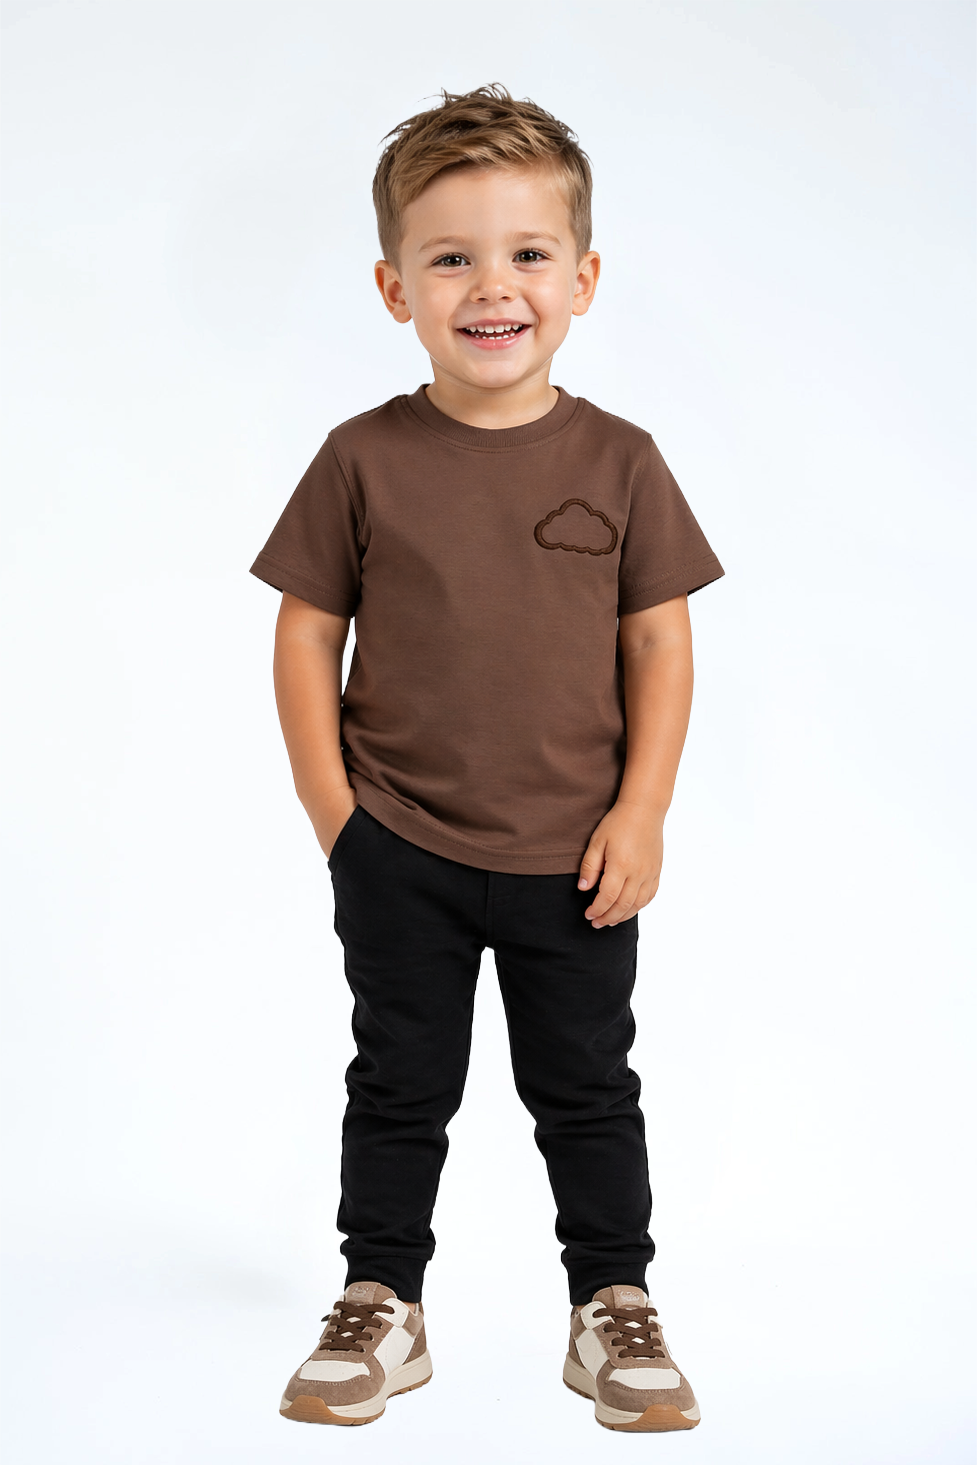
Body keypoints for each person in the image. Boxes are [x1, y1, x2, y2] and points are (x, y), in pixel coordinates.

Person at [250, 83, 723, 1434]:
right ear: (396, 288)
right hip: (399, 841)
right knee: (400, 1082)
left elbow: (661, 643)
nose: (492, 286)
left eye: (527, 254)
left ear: (583, 280)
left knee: (588, 1088)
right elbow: (306, 635)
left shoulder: (622, 460)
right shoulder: (361, 457)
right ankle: (381, 1300)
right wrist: (339, 818)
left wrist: (643, 812)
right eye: (452, 257)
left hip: (576, 853)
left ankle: (612, 1303)